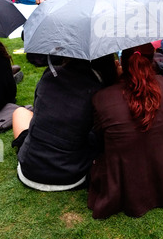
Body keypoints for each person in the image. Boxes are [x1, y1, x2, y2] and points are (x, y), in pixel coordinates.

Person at [87, 43, 163, 219]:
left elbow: (100, 137)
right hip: (158, 168)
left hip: (122, 173)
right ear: (151, 62)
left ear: (122, 63)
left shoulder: (102, 97)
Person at [12, 54, 118, 191]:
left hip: (29, 169)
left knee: (21, 112)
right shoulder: (99, 91)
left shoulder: (50, 75)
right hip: (70, 176)